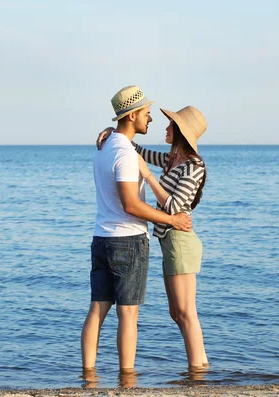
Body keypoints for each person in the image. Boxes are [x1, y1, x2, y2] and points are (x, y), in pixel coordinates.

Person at [81, 86, 192, 376]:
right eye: (146, 113)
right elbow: (131, 205)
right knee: (127, 315)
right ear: (131, 116)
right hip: (128, 241)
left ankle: (88, 377)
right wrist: (172, 221)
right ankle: (127, 380)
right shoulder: (126, 155)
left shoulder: (105, 147)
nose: (150, 119)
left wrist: (108, 129)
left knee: (97, 310)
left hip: (101, 238)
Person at [97, 105, 209, 370]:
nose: (166, 128)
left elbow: (173, 206)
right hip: (169, 241)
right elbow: (137, 151)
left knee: (186, 313)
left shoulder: (194, 166)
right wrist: (114, 132)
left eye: (171, 125)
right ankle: (198, 367)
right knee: (176, 313)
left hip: (180, 242)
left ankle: (199, 371)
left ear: (181, 131)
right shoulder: (172, 158)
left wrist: (147, 175)